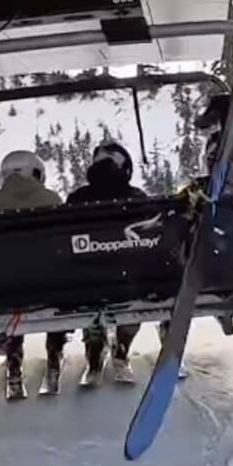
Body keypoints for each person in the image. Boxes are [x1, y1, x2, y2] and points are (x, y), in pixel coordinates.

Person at [0, 150, 62, 396]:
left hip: (6, 287)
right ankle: (54, 357)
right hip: (51, 284)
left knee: (12, 290)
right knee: (59, 285)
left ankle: (14, 364)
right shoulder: (51, 198)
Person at [65, 141, 147, 383]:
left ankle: (94, 345)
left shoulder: (77, 198)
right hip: (131, 280)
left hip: (85, 281)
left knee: (88, 286)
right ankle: (121, 349)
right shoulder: (137, 198)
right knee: (135, 291)